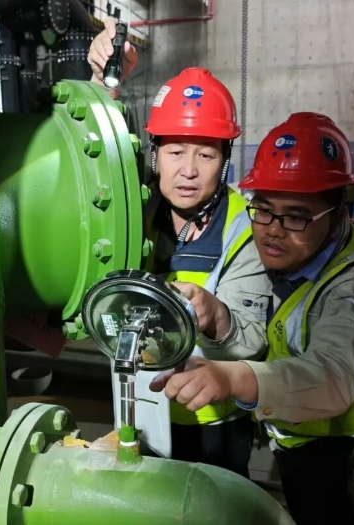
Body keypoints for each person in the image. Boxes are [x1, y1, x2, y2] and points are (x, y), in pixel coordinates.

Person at [151, 113, 354, 524]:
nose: (273, 230)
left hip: (342, 460)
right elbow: (256, 330)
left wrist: (233, 378)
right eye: (265, 210)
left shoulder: (351, 284)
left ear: (339, 214)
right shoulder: (289, 257)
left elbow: (333, 377)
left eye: (296, 216)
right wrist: (216, 313)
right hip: (293, 441)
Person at [87, 19, 270, 477]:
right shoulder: (135, 207)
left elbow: (254, 339)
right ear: (154, 155)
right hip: (138, 408)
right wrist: (102, 79)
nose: (188, 170)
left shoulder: (244, 227)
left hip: (214, 423)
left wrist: (216, 315)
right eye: (175, 153)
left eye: (205, 155)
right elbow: (93, 162)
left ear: (223, 161)